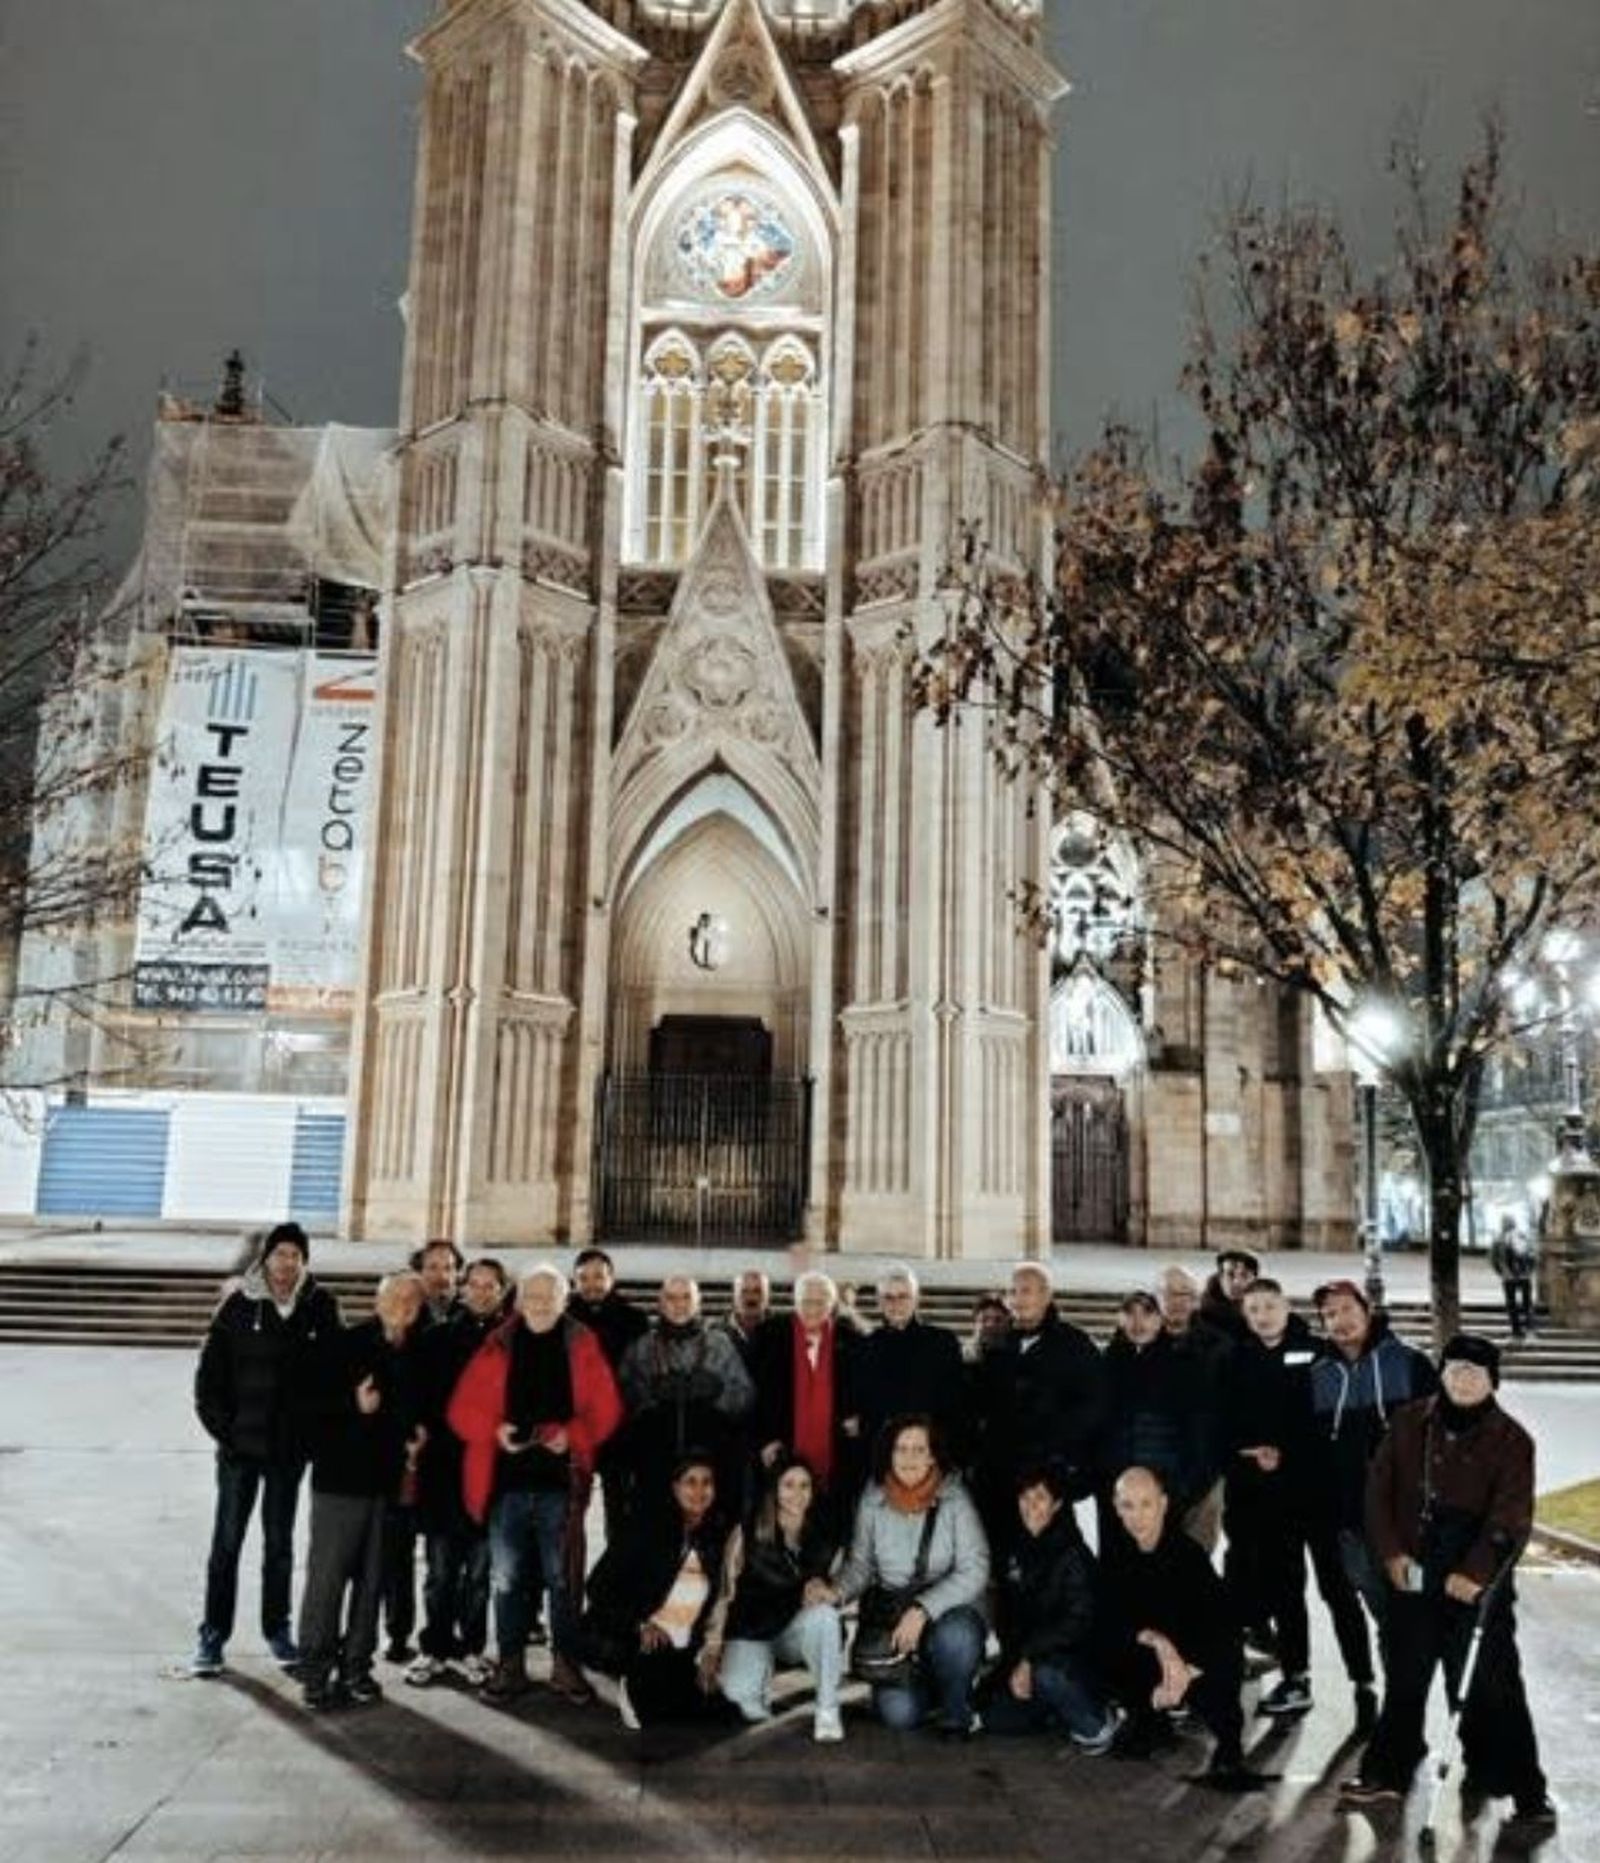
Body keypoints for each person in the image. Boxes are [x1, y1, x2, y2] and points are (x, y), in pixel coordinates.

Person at [1340, 1336, 1557, 1838]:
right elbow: (1378, 1491)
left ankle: (1525, 1790)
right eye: (1455, 1369)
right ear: (1442, 1373)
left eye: (1475, 1373)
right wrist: (1390, 1553)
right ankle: (1385, 1774)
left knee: (1492, 1684)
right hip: (1414, 1565)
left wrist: (1477, 1572)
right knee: (1406, 1676)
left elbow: (1511, 1518)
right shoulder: (1410, 1420)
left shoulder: (1512, 1439)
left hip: (1476, 1575)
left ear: (1492, 1381)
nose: (1463, 1380)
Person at [447, 1264, 624, 1704]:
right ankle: (510, 1665)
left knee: (562, 1578)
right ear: (519, 1300)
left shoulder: (581, 1342)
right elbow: (461, 1408)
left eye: (550, 1296)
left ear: (565, 1300)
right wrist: (494, 1431)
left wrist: (573, 1437)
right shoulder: (498, 1343)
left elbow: (607, 1407)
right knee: (506, 1580)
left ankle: (566, 1665)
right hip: (506, 1484)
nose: (540, 1303)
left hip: (559, 1484)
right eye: (533, 1295)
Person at [189, 1221, 340, 1676]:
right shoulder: (238, 1306)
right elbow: (208, 1381)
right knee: (227, 1544)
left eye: (295, 1255)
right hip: (240, 1452)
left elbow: (335, 1375)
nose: (286, 1263)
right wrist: (227, 1433)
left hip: (288, 1455)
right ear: (266, 1259)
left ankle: (278, 1630)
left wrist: (312, 1439)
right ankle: (213, 1636)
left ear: (304, 1261)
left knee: (280, 1546)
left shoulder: (320, 1306)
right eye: (279, 1254)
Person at [297, 1272, 428, 1710]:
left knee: (373, 1585)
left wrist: (416, 1440)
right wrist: (352, 1407)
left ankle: (357, 1667)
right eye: (396, 1297)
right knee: (328, 1582)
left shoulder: (415, 1353)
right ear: (378, 1301)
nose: (404, 1305)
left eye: (413, 1299)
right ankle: (315, 1671)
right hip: (340, 1485)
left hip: (387, 1488)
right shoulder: (345, 1344)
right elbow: (309, 1411)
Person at [1098, 1466, 1265, 1790]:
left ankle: (1229, 1747)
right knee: (1108, 1647)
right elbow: (1112, 1621)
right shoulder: (1117, 1559)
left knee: (1225, 1655)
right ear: (1116, 1508)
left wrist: (1186, 1670)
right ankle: (1149, 1718)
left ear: (1163, 1504)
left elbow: (1221, 1627)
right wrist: (1158, 1643)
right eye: (1128, 1505)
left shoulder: (1188, 1556)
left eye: (1146, 1504)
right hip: (1154, 1657)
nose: (1137, 1516)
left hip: (1194, 1657)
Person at [823, 1415, 990, 1739]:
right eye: (901, 1449)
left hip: (947, 1612)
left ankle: (956, 1708)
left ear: (932, 1456)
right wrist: (836, 1592)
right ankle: (925, 1685)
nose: (909, 1458)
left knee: (957, 1638)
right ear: (889, 1454)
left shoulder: (955, 1497)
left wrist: (924, 1608)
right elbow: (860, 1565)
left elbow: (976, 1567)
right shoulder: (872, 1498)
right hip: (893, 1618)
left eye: (918, 1449)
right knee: (901, 1716)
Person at [1308, 1278, 1437, 1672]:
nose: (1340, 1320)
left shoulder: (1409, 1362)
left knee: (1409, 1610)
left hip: (1407, 1519)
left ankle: (1403, 1712)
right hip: (1350, 1519)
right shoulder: (1318, 1374)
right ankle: (1397, 1706)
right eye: (1330, 1314)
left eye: (1347, 1309)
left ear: (1366, 1310)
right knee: (1380, 1606)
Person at [1220, 1278, 1325, 1719]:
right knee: (1239, 1573)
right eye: (1254, 1309)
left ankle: (1297, 1675)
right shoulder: (1234, 1356)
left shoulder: (1313, 1353)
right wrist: (1244, 1453)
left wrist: (1287, 1454)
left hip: (1292, 1490)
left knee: (1288, 1584)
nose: (1262, 1315)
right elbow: (1221, 1417)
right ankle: (1239, 1657)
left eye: (1269, 1306)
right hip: (1245, 1488)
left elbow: (1319, 1418)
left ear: (1286, 1307)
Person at [406, 1256, 510, 1687]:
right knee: (441, 1570)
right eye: (475, 1284)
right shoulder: (437, 1338)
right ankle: (433, 1647)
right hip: (445, 1472)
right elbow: (421, 1401)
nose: (482, 1292)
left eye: (491, 1285)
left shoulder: (514, 1342)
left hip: (493, 1473)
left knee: (480, 1574)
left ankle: (472, 1648)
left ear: (502, 1291)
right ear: (463, 1289)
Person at [581, 1452, 734, 1730]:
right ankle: (629, 1684)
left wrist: (708, 1653)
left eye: (707, 1482)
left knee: (719, 1713)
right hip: (633, 1636)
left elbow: (719, 1600)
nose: (699, 1491)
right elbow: (597, 1585)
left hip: (681, 1644)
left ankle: (664, 1685)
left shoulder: (715, 1536)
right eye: (690, 1482)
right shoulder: (645, 1527)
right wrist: (639, 1623)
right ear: (675, 1488)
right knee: (653, 1713)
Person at [701, 1455, 846, 1741]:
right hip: (753, 1629)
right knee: (742, 1699)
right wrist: (712, 1648)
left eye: (805, 1486)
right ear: (774, 1490)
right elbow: (725, 1593)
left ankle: (828, 1708)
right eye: (788, 1485)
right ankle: (760, 1670)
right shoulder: (749, 1529)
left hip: (794, 1630)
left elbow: (842, 1582)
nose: (797, 1494)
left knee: (826, 1617)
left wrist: (830, 1590)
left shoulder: (824, 1530)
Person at [981, 1465, 1117, 1753]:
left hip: (1073, 1661)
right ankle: (1057, 1711)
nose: (1031, 1506)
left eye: (1040, 1498)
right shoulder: (1013, 1549)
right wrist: (1011, 1666)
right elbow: (1009, 1618)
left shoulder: (1073, 1554)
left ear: (1056, 1505)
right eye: (1025, 1497)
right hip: (1031, 1657)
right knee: (993, 1718)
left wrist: (1028, 1659)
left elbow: (1078, 1622)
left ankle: (1099, 1723)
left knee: (1048, 1675)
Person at [973, 1261, 1105, 1553]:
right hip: (999, 1479)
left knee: (1050, 1558)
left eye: (1027, 1291)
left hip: (1047, 1480)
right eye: (1013, 1292)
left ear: (1047, 1296)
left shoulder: (1075, 1345)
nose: (1018, 1299)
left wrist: (1060, 1460)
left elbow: (1092, 1410)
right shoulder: (998, 1345)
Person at [383, 1238, 465, 1662]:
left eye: (448, 1267)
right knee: (396, 1552)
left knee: (442, 1557)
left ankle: (439, 1635)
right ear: (419, 1272)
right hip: (403, 1451)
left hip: (445, 1455)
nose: (441, 1275)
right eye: (432, 1267)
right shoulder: (401, 1321)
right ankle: (397, 1633)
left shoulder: (467, 1320)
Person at [618, 1275, 755, 1510]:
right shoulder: (642, 1347)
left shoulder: (719, 1343)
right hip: (657, 1458)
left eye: (686, 1297)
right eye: (671, 1298)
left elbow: (744, 1393)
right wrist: (651, 1399)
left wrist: (716, 1395)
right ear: (660, 1303)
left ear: (698, 1302)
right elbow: (623, 1395)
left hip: (710, 1456)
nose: (679, 1304)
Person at [1095, 1290, 1210, 1549]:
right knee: (1116, 1566)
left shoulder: (1186, 1365)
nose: (1138, 1322)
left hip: (1165, 1489)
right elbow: (1095, 1428)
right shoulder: (1105, 1364)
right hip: (1116, 1491)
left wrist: (1184, 1489)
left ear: (1160, 1320)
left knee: (1162, 1568)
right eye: (1130, 1314)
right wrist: (1102, 1481)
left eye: (1147, 1313)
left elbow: (1200, 1431)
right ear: (1119, 1320)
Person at [751, 1271, 862, 1516]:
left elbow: (861, 1390)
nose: (812, 1309)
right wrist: (764, 1439)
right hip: (782, 1445)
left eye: (820, 1302)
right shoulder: (769, 1336)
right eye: (806, 1302)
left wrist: (856, 1416)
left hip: (836, 1449)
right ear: (795, 1302)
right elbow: (756, 1395)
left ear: (832, 1304)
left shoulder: (852, 1341)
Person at [566, 1246, 649, 1537]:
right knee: (570, 1513)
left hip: (619, 1427)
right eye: (584, 1278)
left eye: (598, 1277)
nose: (591, 1285)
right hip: (575, 1425)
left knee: (620, 1510)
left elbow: (641, 1374)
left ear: (611, 1279)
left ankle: (616, 1579)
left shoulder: (634, 1320)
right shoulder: (565, 1316)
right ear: (575, 1282)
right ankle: (570, 1580)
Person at [853, 1264, 966, 1458]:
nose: (895, 1304)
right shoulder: (865, 1346)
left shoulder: (942, 1342)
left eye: (903, 1296)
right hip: (882, 1454)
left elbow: (956, 1406)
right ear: (879, 1302)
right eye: (888, 1297)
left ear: (916, 1299)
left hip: (930, 1453)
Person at [1489, 1217, 1537, 1342]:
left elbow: (1493, 1259)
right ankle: (1529, 1329)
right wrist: (1529, 1271)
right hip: (1523, 1276)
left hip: (1509, 1277)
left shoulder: (1499, 1239)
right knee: (1526, 1303)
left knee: (1512, 1304)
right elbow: (1533, 1255)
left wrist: (1502, 1272)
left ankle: (1517, 1331)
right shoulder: (1523, 1237)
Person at [1200, 1249, 1259, 1343]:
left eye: (1244, 1275)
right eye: (1230, 1274)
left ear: (1254, 1280)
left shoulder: (1264, 1311)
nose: (1237, 1282)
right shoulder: (1202, 1314)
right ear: (1220, 1277)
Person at [717, 1269, 772, 1368]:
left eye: (757, 1291)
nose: (751, 1298)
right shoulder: (713, 1335)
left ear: (768, 1297)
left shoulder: (784, 1335)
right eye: (744, 1291)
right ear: (734, 1296)